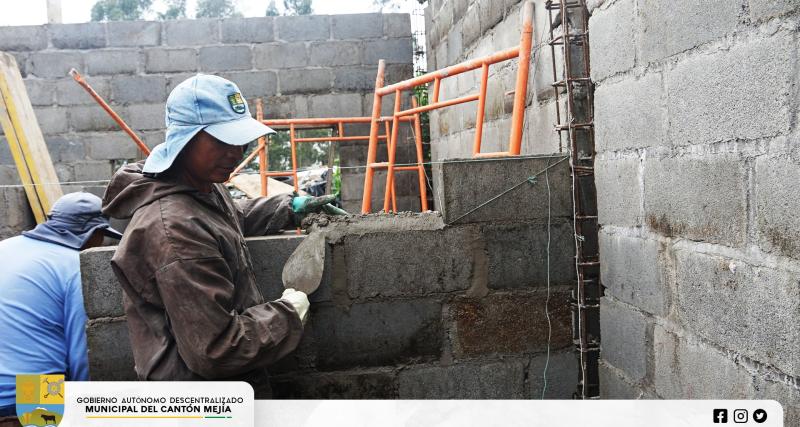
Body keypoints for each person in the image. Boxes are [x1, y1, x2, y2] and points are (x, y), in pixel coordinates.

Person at [102, 74, 341, 396]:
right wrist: (288, 313)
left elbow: (229, 217)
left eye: (241, 140)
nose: (236, 152)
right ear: (185, 139)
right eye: (221, 141)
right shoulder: (175, 231)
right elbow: (217, 349)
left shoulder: (200, 188)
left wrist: (290, 207)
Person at [0, 192, 122, 422]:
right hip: (32, 391)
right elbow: (83, 351)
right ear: (94, 233)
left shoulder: (5, 247)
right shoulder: (76, 267)